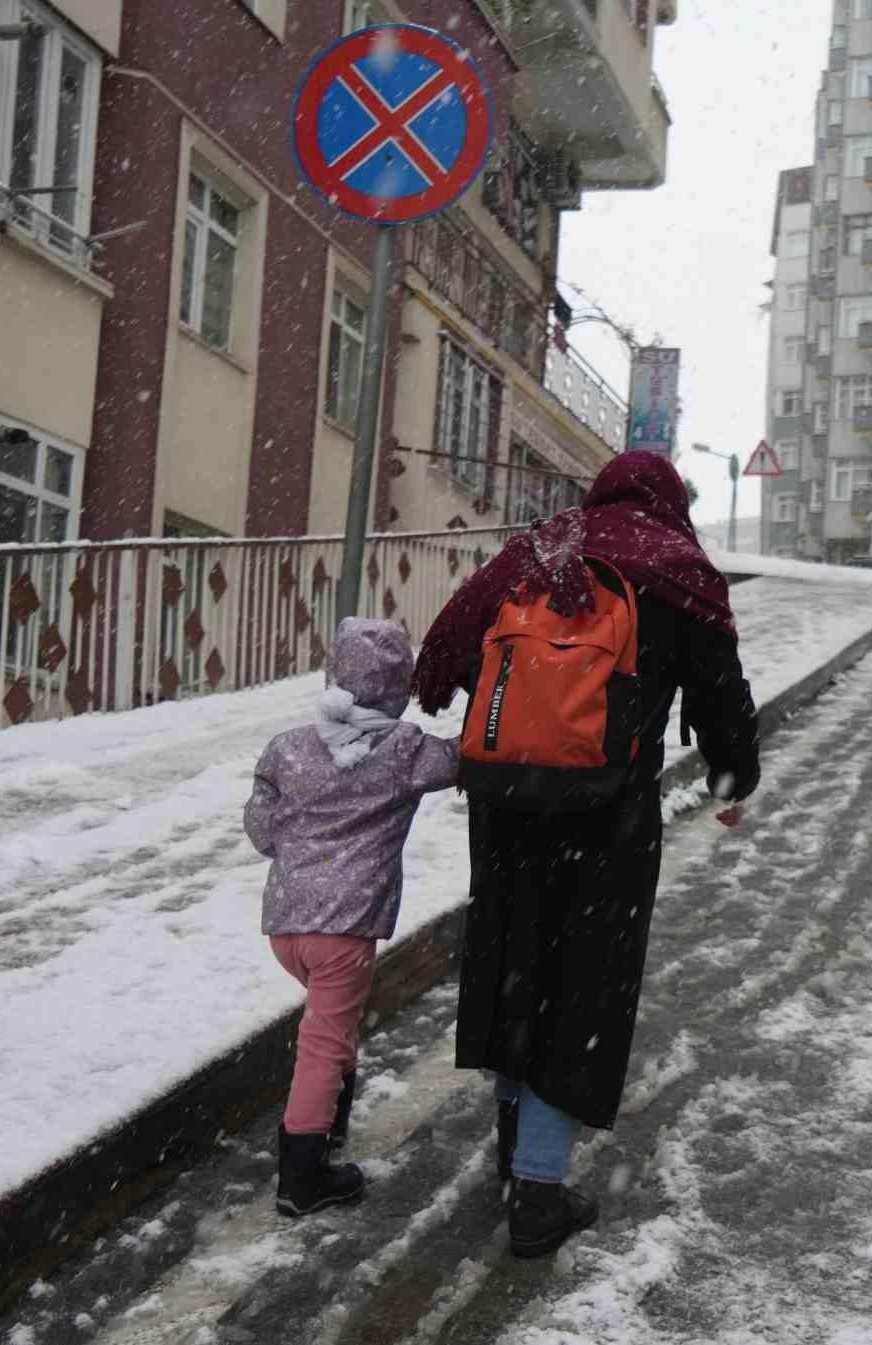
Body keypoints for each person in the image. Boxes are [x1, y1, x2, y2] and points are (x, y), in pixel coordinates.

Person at [413, 451, 761, 1259]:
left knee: (513, 967)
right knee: (583, 989)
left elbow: (453, 653)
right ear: (669, 502)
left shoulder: (538, 549)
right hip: (607, 814)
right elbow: (720, 689)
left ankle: (512, 1150)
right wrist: (731, 772)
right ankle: (537, 1190)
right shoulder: (676, 567)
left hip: (506, 807)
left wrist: (531, 714)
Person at [244, 618, 461, 1217]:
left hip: (286, 927)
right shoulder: (404, 750)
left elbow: (263, 831)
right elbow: (468, 760)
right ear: (401, 686)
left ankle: (328, 1124)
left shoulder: (288, 748)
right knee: (324, 1040)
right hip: (344, 932)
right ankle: (303, 1176)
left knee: (330, 1027)